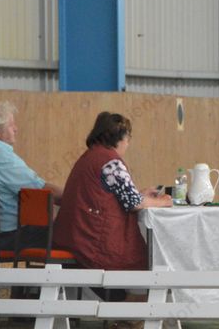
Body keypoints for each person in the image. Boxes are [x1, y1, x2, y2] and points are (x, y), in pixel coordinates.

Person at [54, 112, 172, 273]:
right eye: (128, 139)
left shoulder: (89, 156)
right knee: (144, 265)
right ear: (120, 138)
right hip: (93, 244)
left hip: (71, 237)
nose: (128, 144)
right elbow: (134, 202)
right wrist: (163, 201)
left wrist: (140, 194)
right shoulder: (111, 162)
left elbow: (110, 196)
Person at [0, 101, 64, 251]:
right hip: (11, 237)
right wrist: (74, 198)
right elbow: (39, 190)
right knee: (76, 228)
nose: (16, 129)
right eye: (11, 125)